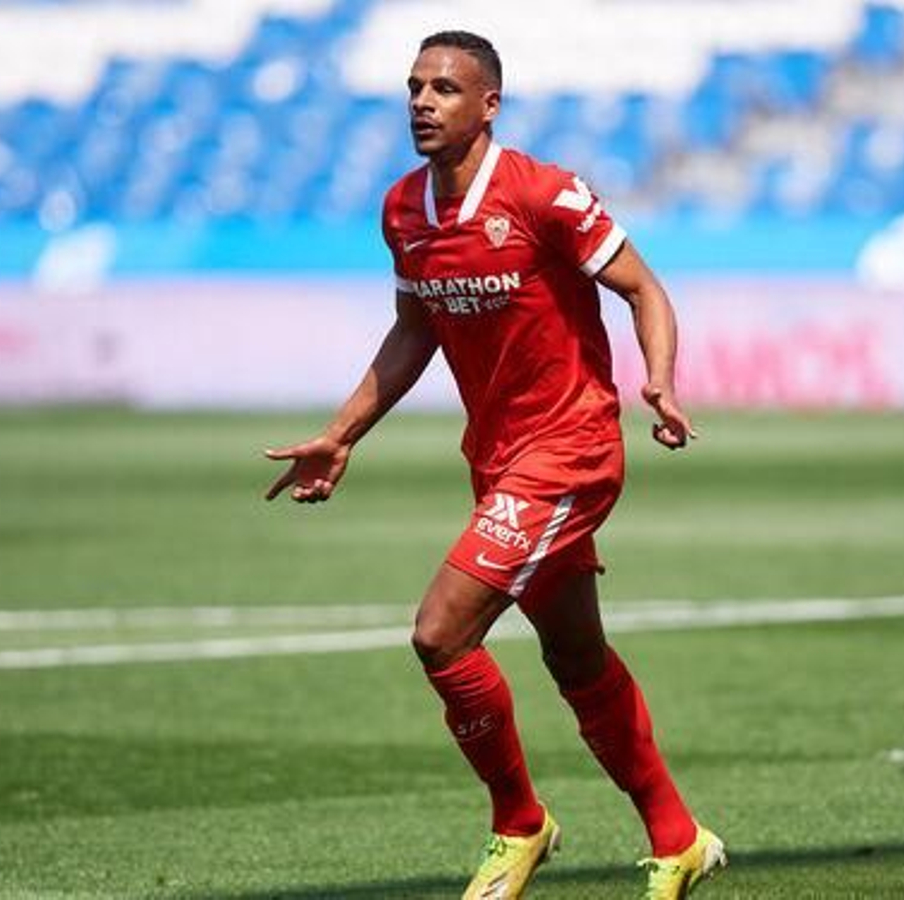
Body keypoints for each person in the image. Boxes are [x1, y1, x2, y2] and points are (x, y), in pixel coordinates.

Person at [262, 30, 725, 900]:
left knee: (440, 632)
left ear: (488, 104)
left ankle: (519, 823)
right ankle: (679, 837)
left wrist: (658, 382)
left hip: (572, 449)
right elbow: (415, 329)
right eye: (413, 88)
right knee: (576, 658)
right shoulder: (404, 209)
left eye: (443, 88)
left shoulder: (545, 193)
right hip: (500, 459)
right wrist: (344, 432)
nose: (422, 103)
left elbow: (644, 288)